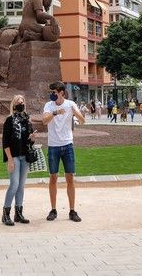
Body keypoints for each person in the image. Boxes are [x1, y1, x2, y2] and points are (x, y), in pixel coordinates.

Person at [43, 81, 86, 222]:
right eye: (51, 92)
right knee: (53, 177)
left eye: (54, 92)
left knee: (70, 178)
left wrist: (76, 113)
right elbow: (44, 121)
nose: (52, 94)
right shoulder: (49, 106)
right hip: (53, 146)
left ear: (61, 92)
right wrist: (55, 112)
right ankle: (53, 209)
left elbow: (83, 120)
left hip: (67, 144)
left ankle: (72, 210)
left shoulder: (70, 104)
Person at [2, 95, 35, 226]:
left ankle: (19, 213)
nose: (20, 104)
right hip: (14, 156)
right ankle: (5, 214)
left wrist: (32, 137)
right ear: (13, 105)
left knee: (21, 186)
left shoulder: (27, 120)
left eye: (22, 102)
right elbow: (5, 142)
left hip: (24, 156)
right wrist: (9, 159)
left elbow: (29, 140)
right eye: (18, 102)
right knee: (14, 185)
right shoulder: (9, 120)